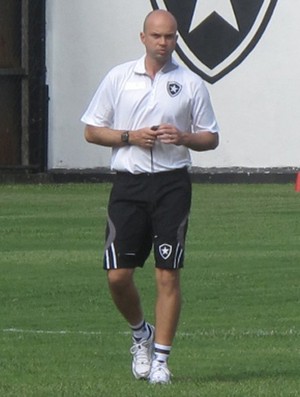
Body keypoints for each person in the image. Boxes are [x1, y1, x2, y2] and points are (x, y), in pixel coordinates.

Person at [81, 9, 219, 384]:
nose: (163, 43)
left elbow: (210, 136)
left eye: (170, 37)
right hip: (129, 185)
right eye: (157, 36)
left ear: (177, 40)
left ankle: (161, 360)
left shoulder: (190, 83)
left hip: (172, 185)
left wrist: (184, 137)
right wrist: (131, 137)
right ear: (142, 37)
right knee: (117, 276)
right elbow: (92, 130)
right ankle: (140, 333)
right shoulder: (119, 78)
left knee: (167, 275)